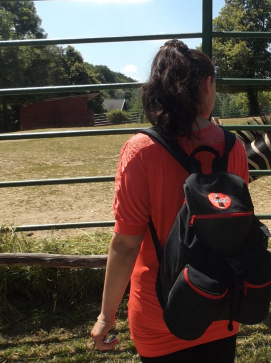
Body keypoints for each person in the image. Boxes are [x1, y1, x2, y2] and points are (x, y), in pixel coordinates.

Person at [89, 39, 250, 362]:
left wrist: (106, 316)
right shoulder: (235, 149)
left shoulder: (140, 150)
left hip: (158, 315)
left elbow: (125, 245)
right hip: (220, 306)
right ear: (207, 85)